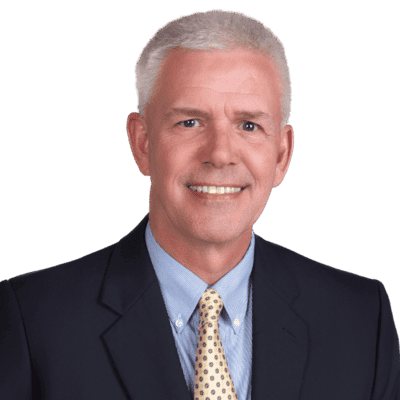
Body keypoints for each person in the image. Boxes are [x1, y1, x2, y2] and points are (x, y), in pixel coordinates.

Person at [0, 9, 399, 400]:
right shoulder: (32, 321)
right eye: (189, 122)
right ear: (142, 143)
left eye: (249, 125)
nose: (220, 154)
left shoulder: (362, 319)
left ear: (281, 154)